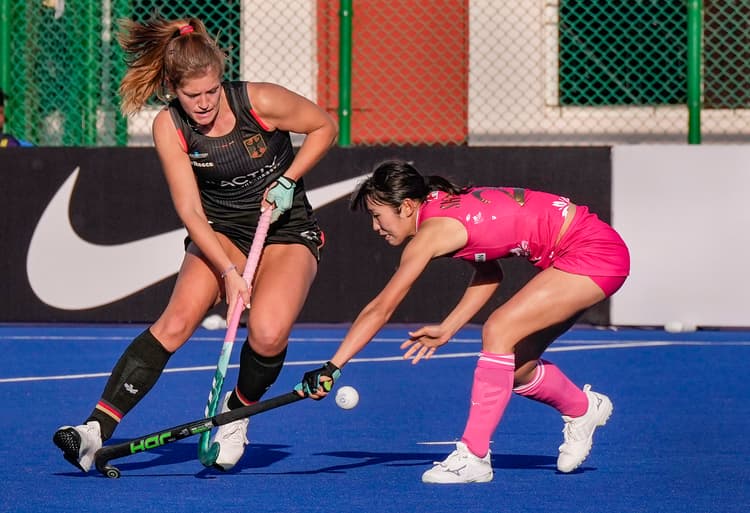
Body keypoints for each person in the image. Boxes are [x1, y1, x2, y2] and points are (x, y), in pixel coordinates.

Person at [53, 16, 337, 473]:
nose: (204, 103)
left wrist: (288, 179)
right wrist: (228, 270)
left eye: (211, 91)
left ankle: (237, 411)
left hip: (286, 228)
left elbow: (325, 126)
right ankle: (95, 430)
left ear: (221, 79)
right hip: (221, 229)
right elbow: (189, 210)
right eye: (192, 95)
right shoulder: (170, 126)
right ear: (172, 88)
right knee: (176, 322)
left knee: (267, 332)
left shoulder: (260, 101)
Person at [297, 160, 629, 484]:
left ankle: (474, 456)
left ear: (407, 206)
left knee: (499, 329)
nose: (375, 227)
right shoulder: (438, 207)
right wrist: (449, 327)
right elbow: (490, 271)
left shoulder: (430, 234)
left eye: (377, 215)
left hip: (594, 252)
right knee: (516, 368)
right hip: (579, 253)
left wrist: (333, 366)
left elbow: (381, 309)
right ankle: (583, 409)